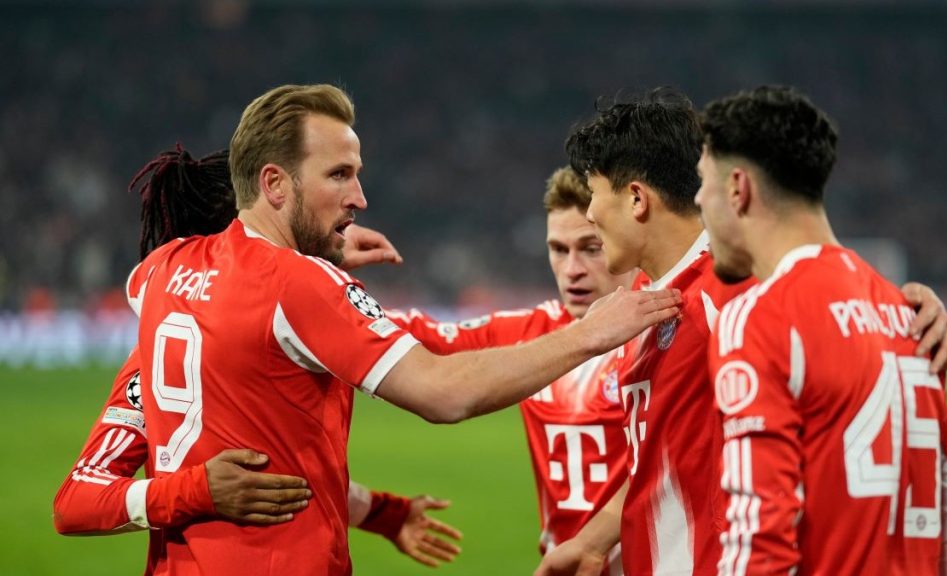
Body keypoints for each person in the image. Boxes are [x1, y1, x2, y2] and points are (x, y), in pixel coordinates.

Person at [126, 84, 681, 575]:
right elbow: (442, 389)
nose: (360, 198)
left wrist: (321, 250)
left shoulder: (159, 274)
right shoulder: (301, 285)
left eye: (590, 246)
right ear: (274, 183)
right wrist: (587, 335)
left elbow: (87, 497)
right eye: (339, 174)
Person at [537, 87, 947, 576]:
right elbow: (664, 463)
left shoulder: (733, 298)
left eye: (594, 193)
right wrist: (591, 542)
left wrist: (898, 308)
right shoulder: (642, 300)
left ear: (637, 198)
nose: (591, 213)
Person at [53, 147, 463, 570]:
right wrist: (195, 490)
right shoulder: (186, 342)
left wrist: (384, 514)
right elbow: (75, 502)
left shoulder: (192, 340)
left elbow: (280, 484)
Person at [696, 85, 947, 574]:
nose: (698, 200)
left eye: (702, 180)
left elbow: (759, 540)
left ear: (738, 189)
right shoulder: (910, 316)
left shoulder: (761, 318)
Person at [387, 166, 634, 573]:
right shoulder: (531, 333)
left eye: (591, 248)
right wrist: (330, 277)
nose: (572, 268)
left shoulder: (663, 331)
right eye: (559, 250)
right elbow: (414, 332)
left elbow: (678, 462)